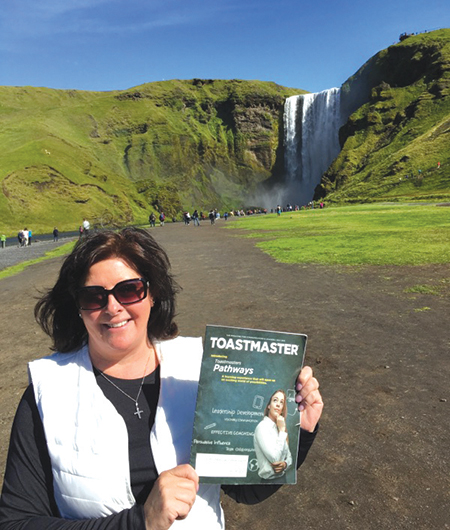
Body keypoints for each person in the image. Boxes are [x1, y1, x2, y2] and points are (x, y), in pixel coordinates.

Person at [0, 228, 323, 529]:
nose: (112, 307)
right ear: (79, 308)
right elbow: (16, 522)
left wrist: (299, 433)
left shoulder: (200, 368)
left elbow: (245, 488)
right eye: (93, 297)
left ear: (152, 295)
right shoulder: (47, 392)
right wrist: (140, 521)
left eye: (129, 290)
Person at [253, 390, 292, 481]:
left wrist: (285, 464)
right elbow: (275, 459)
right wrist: (282, 431)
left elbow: (289, 457)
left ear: (282, 409)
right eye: (275, 400)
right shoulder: (262, 427)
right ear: (269, 406)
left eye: (281, 402)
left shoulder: (279, 428)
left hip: (282, 479)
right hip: (267, 483)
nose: (278, 404)